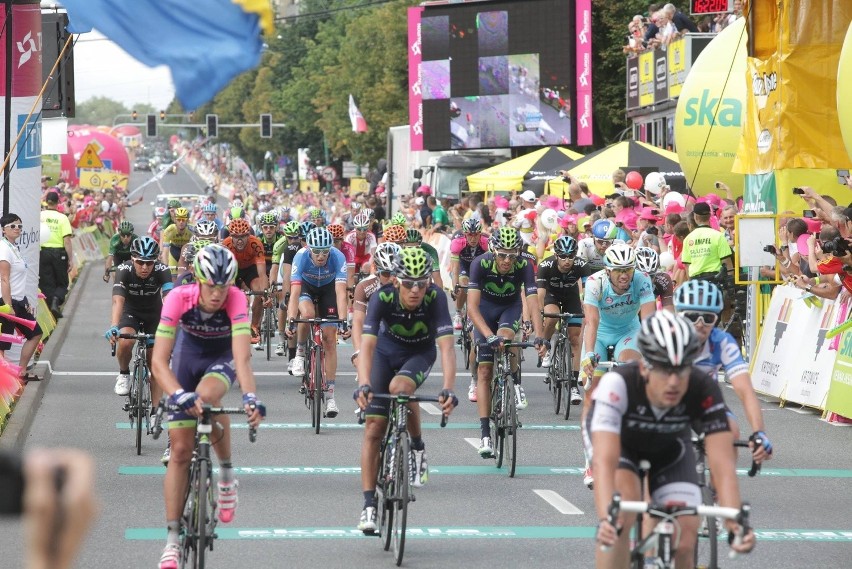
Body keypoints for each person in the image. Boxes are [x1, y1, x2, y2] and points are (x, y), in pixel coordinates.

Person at [590, 311, 755, 568]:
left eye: (682, 370)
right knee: (620, 519)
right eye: (665, 370)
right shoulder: (618, 384)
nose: (674, 382)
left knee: (686, 534)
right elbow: (604, 462)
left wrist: (735, 521)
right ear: (644, 366)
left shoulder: (702, 387)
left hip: (670, 448)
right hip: (624, 446)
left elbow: (723, 467)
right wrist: (606, 519)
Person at [152, 244, 265, 569]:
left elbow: (242, 358)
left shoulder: (236, 298)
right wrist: (176, 394)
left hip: (221, 357)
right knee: (180, 452)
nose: (218, 294)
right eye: (211, 286)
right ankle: (172, 540)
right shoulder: (178, 297)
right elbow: (160, 362)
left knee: (206, 396)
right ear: (198, 280)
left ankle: (227, 476)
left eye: (224, 286)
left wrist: (250, 397)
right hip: (187, 357)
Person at [353, 246, 458, 532]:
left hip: (419, 354)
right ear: (397, 280)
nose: (415, 290)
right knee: (374, 426)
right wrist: (363, 383)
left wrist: (448, 388)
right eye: (409, 283)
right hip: (384, 353)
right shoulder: (382, 297)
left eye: (421, 283)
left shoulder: (436, 298)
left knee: (400, 387)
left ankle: (417, 448)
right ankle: (368, 506)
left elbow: (447, 349)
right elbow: (368, 345)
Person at [580, 243, 656, 489]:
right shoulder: (595, 283)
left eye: (628, 270)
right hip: (600, 334)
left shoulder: (642, 280)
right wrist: (589, 355)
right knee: (592, 393)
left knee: (630, 369)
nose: (624, 275)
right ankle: (591, 459)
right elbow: (591, 322)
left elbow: (650, 318)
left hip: (628, 332)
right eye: (619, 270)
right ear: (608, 271)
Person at [467, 227, 547, 457]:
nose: (507, 260)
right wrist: (487, 335)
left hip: (509, 310)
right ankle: (484, 433)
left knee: (508, 341)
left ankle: (512, 383)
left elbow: (532, 302)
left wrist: (540, 335)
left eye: (512, 255)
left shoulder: (523, 266)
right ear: (493, 250)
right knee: (484, 371)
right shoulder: (480, 264)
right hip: (484, 311)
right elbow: (472, 307)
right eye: (502, 254)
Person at [674, 280, 773, 463]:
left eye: (708, 318)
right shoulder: (665, 338)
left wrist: (759, 433)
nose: (700, 324)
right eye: (692, 316)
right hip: (667, 402)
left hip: (704, 402)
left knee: (731, 432)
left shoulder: (722, 341)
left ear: (717, 319)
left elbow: (745, 391)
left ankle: (718, 489)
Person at [285, 227, 350, 418]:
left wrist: (344, 320)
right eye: (316, 251)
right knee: (307, 314)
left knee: (330, 339)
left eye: (325, 251)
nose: (321, 256)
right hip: (307, 287)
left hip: (329, 289)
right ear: (309, 248)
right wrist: (291, 319)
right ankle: (300, 353)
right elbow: (294, 293)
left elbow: (340, 293)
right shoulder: (301, 256)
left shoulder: (338, 257)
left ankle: (330, 396)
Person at [105, 236, 173, 401]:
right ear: (132, 259)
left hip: (154, 314)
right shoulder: (123, 270)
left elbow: (170, 299)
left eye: (149, 263)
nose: (144, 267)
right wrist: (114, 325)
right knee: (126, 340)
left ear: (155, 261)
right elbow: (118, 300)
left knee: (155, 363)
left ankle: (154, 413)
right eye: (140, 262)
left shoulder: (162, 270)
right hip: (131, 312)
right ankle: (123, 374)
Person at [536, 236, 592, 404]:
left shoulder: (582, 265)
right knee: (552, 317)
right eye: (563, 256)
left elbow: (587, 290)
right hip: (550, 295)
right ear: (556, 255)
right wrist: (540, 313)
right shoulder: (545, 266)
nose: (567, 260)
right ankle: (546, 345)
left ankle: (574, 385)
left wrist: (587, 308)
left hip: (571, 296)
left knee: (575, 337)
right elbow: (540, 294)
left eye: (571, 256)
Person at [0, 213, 43, 379]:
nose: (17, 229)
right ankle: (4, 388)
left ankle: (21, 372)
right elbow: (4, 279)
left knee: (35, 333)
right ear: (4, 230)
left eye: (19, 226)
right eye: (13, 226)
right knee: (2, 345)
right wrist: (8, 306)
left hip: (18, 301)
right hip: (5, 302)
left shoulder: (14, 247)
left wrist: (23, 301)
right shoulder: (4, 249)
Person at [222, 217, 270, 344]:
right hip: (234, 270)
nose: (239, 240)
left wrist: (265, 293)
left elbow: (262, 273)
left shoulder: (256, 243)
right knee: (234, 295)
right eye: (236, 237)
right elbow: (226, 273)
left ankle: (254, 326)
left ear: (248, 235)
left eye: (243, 236)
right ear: (231, 235)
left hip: (250, 269)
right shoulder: (225, 245)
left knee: (259, 292)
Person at [39, 190, 73, 318]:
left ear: (46, 202)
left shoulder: (40, 216)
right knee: (62, 282)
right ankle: (56, 301)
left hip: (43, 252)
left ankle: (49, 312)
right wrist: (70, 259)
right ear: (58, 202)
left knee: (47, 282)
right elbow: (67, 240)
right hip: (59, 253)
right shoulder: (62, 218)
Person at [681, 202, 733, 280]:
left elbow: (687, 266)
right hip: (715, 281)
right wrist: (729, 282)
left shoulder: (688, 239)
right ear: (709, 216)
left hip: (696, 282)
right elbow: (726, 262)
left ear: (695, 217)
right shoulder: (718, 236)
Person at [159, 207, 194, 278]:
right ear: (174, 220)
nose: (181, 222)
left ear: (187, 220)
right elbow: (165, 251)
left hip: (187, 251)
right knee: (172, 277)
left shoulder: (192, 230)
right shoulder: (169, 230)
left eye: (183, 219)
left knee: (189, 276)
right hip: (174, 250)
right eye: (178, 219)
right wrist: (166, 268)